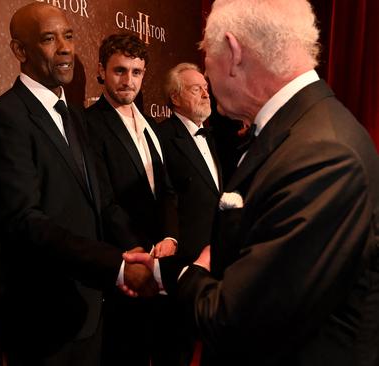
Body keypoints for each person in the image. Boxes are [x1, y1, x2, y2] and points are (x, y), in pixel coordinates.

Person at [128, 0, 379, 365]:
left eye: (205, 57)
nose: (207, 79)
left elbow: (237, 319)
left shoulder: (322, 153)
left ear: (233, 52)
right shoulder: (303, 128)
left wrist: (177, 273)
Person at [0, 3, 165, 365]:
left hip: (92, 309)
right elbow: (25, 223)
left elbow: (103, 203)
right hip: (43, 321)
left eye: (69, 36)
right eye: (49, 38)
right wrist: (118, 266)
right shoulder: (4, 120)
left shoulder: (75, 116)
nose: (65, 48)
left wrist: (137, 252)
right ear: (19, 50)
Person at [84, 33, 180, 366]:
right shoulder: (90, 124)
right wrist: (137, 251)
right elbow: (104, 200)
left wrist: (169, 237)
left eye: (136, 72)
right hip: (127, 263)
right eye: (119, 71)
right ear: (101, 70)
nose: (129, 81)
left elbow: (166, 189)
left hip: (160, 260)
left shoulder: (150, 124)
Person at [156, 63, 221, 267]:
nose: (205, 95)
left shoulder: (213, 137)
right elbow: (165, 195)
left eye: (206, 88)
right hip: (186, 257)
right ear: (175, 98)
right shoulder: (162, 137)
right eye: (196, 89)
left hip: (217, 251)